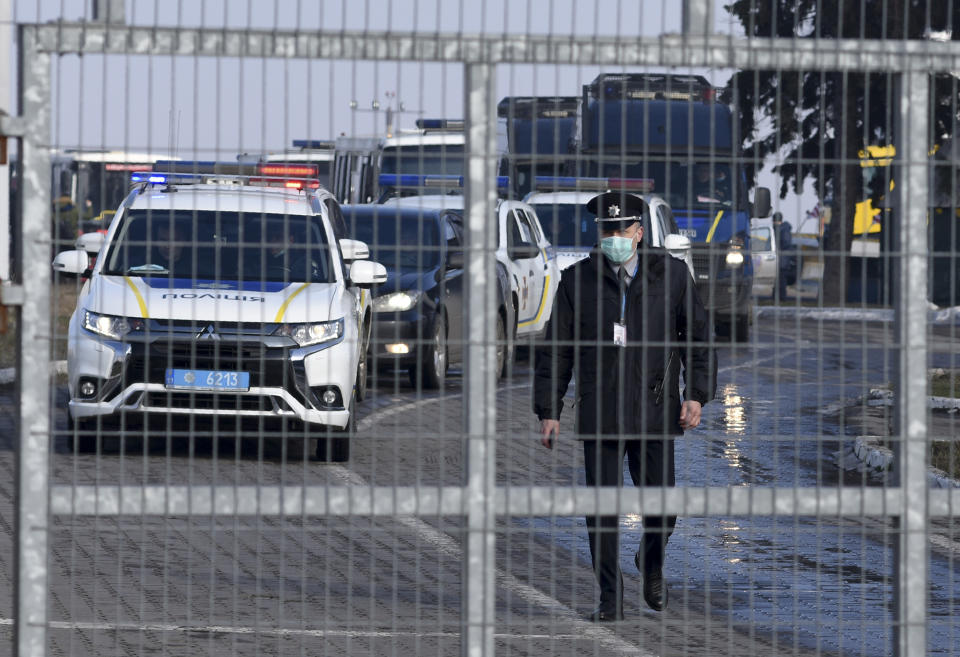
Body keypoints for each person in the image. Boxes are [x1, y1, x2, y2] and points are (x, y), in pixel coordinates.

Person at [533, 191, 716, 621]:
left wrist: (696, 394)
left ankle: (651, 565)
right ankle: (609, 598)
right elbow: (557, 351)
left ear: (638, 232)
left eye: (622, 230)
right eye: (606, 230)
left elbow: (700, 337)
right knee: (602, 511)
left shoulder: (670, 276)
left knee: (662, 505)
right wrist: (549, 410)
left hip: (656, 411)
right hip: (601, 412)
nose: (614, 237)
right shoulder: (577, 281)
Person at [772, 211, 796, 300]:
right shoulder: (783, 229)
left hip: (782, 258)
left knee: (781, 279)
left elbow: (786, 243)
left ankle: (781, 297)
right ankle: (777, 297)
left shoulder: (782, 230)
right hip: (782, 258)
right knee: (778, 279)